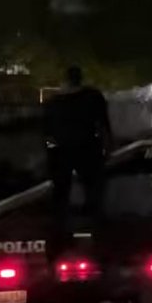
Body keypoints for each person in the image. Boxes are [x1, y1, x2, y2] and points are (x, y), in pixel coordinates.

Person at [43, 66, 111, 219]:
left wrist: (51, 153)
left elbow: (47, 134)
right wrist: (107, 147)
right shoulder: (93, 96)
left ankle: (60, 227)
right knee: (93, 189)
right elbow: (103, 125)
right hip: (87, 149)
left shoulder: (53, 102)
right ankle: (92, 223)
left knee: (61, 192)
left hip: (62, 151)